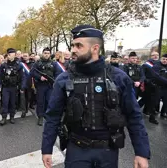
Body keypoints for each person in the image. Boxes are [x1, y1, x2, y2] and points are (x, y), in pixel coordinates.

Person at [42, 25, 150, 168]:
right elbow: (53, 116)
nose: (73, 50)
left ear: (95, 48)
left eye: (79, 46)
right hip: (76, 150)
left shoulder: (118, 77)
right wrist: (47, 148)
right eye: (73, 45)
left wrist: (141, 152)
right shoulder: (64, 79)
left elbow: (134, 116)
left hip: (108, 151)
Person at [0, 48, 25, 125]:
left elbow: (23, 77)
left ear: (14, 55)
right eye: (8, 54)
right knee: (5, 102)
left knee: (13, 102)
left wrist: (22, 87)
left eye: (10, 54)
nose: (8, 56)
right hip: (5, 87)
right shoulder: (4, 65)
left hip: (14, 87)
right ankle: (4, 117)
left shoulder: (19, 65)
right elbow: (0, 76)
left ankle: (12, 116)